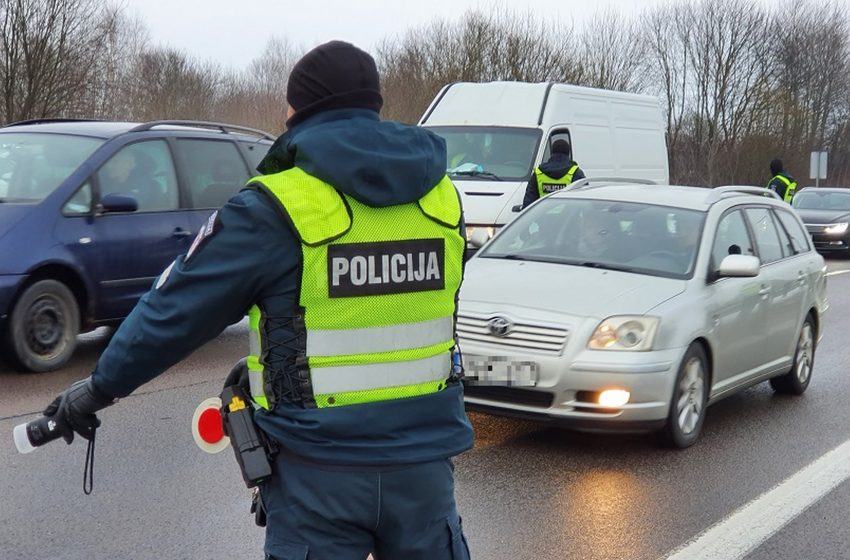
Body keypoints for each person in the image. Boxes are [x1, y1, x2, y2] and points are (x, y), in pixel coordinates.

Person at [38, 40, 474, 560]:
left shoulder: (275, 205)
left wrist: (99, 388)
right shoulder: (441, 198)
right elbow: (411, 314)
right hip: (425, 471)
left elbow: (175, 310)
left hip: (319, 477)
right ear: (373, 102)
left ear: (297, 111)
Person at [522, 139, 585, 209]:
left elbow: (528, 204)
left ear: (551, 153)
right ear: (568, 153)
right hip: (567, 215)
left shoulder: (538, 173)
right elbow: (584, 203)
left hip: (542, 214)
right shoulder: (576, 173)